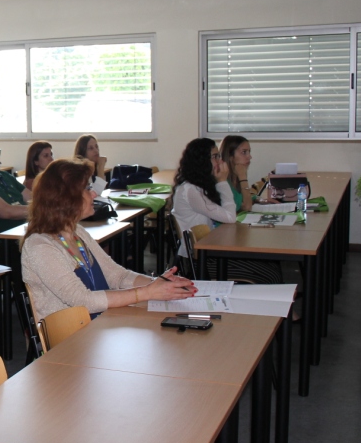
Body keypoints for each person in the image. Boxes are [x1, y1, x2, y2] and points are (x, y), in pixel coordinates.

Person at [22, 159, 195, 323]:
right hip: (71, 337)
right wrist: (148, 292)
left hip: (99, 325)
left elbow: (117, 276)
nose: (94, 193)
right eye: (87, 188)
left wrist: (160, 284)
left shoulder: (77, 232)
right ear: (66, 198)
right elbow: (83, 300)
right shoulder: (40, 246)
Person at [171, 138, 283, 283]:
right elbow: (230, 217)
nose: (220, 161)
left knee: (272, 266)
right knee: (270, 275)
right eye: (215, 156)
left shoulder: (199, 185)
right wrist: (222, 181)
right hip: (201, 261)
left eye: (218, 155)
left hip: (209, 251)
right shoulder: (190, 190)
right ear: (201, 160)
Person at [220, 135, 254, 212]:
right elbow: (247, 207)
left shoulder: (235, 178)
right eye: (244, 152)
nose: (249, 157)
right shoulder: (223, 181)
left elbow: (241, 197)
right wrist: (243, 177)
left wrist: (260, 200)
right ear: (230, 156)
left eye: (249, 152)